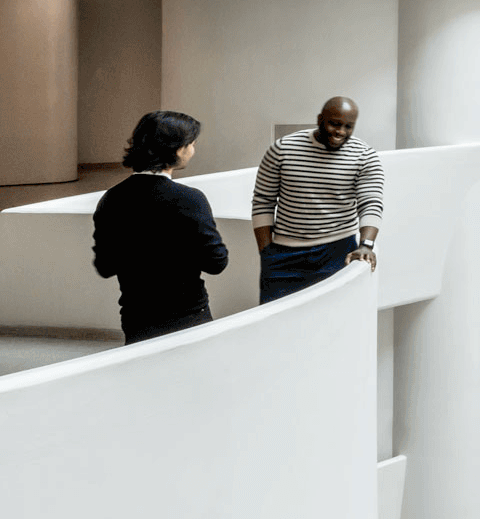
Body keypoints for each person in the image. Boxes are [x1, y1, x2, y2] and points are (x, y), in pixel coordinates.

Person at [91, 111, 228, 344]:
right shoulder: (190, 199)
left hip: (136, 318)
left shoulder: (112, 199)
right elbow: (216, 262)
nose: (193, 150)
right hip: (188, 316)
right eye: (191, 144)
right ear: (178, 149)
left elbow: (105, 266)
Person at [251, 97, 383, 304]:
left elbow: (371, 203)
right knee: (276, 319)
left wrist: (366, 245)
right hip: (284, 253)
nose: (340, 132)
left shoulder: (364, 156)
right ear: (320, 119)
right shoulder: (282, 149)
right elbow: (263, 201)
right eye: (335, 124)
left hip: (339, 251)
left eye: (348, 126)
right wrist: (266, 252)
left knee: (335, 317)